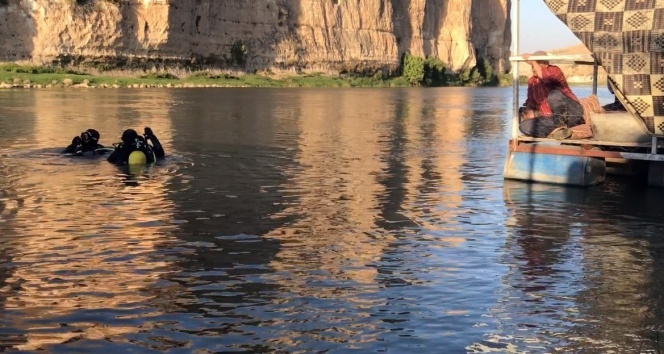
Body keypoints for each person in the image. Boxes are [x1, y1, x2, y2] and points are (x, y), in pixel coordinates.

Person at [518, 51, 585, 139]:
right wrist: (528, 111)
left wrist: (533, 61)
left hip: (571, 113)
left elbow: (544, 76)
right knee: (524, 126)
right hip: (552, 118)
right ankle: (557, 132)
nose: (533, 68)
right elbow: (531, 101)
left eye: (537, 64)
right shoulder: (532, 81)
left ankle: (560, 128)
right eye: (532, 65)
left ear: (546, 64)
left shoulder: (554, 70)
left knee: (554, 95)